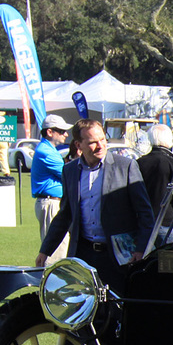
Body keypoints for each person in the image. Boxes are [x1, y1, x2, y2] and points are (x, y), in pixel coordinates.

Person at [36, 119, 156, 284]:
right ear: (79, 145)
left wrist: (142, 249)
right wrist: (46, 250)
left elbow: (145, 213)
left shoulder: (126, 167)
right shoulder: (69, 171)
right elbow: (65, 215)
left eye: (102, 139)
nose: (100, 146)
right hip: (84, 255)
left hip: (118, 257)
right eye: (93, 142)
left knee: (117, 305)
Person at [30, 113, 73, 261]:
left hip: (52, 202)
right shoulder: (46, 152)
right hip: (51, 203)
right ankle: (51, 281)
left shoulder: (48, 150)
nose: (65, 134)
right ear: (49, 132)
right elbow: (67, 173)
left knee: (59, 247)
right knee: (56, 251)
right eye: (61, 131)